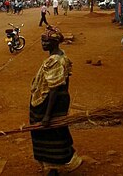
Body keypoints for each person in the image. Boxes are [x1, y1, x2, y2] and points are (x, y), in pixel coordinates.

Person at [30, 26, 82, 175]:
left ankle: (54, 167)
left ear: (55, 43)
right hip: (59, 100)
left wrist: (47, 115)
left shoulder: (54, 61)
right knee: (59, 130)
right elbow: (65, 82)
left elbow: (54, 88)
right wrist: (64, 97)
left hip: (47, 102)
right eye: (42, 41)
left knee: (47, 133)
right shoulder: (62, 56)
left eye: (46, 41)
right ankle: (68, 159)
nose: (43, 44)